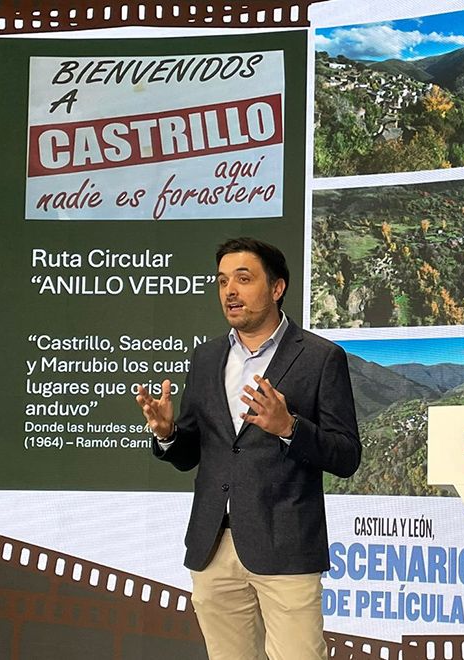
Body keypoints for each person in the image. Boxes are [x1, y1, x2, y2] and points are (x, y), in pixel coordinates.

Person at [135, 237, 361, 660]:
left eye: (243, 278)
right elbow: (190, 454)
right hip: (213, 546)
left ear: (277, 288)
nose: (230, 291)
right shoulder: (206, 358)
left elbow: (346, 454)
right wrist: (167, 434)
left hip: (286, 546)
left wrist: (289, 427)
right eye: (222, 282)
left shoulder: (320, 357)